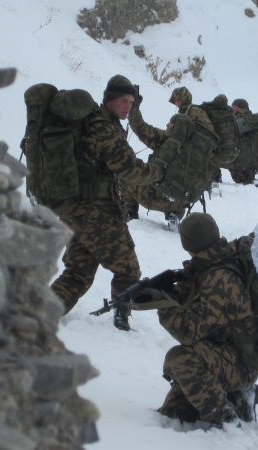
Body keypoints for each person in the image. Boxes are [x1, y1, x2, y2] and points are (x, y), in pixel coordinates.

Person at [50, 74, 164, 331]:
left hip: (76, 211)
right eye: (123, 100)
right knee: (128, 270)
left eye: (132, 103)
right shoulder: (103, 126)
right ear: (110, 99)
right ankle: (121, 323)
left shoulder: (93, 122)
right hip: (96, 213)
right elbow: (128, 168)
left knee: (78, 272)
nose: (128, 107)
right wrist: (158, 173)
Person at [128, 213, 258, 428]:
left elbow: (189, 332)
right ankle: (238, 397)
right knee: (175, 413)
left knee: (180, 358)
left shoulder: (219, 278)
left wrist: (163, 304)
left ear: (188, 244)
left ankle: (225, 418)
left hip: (239, 363)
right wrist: (173, 292)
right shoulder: (214, 260)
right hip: (222, 350)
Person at [126, 93, 196, 231]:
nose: (167, 124)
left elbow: (139, 127)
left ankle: (130, 211)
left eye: (171, 122)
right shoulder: (194, 149)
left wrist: (134, 107)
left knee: (126, 172)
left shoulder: (166, 139)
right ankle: (174, 215)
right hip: (178, 202)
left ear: (177, 127)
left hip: (151, 197)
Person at [170, 87, 221, 186]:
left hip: (204, 146)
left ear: (185, 99)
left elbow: (206, 131)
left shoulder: (194, 111)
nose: (177, 103)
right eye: (175, 101)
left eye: (178, 100)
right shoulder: (186, 112)